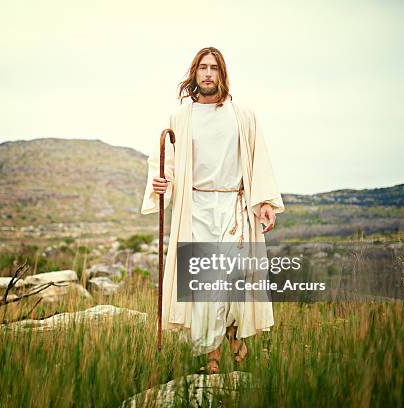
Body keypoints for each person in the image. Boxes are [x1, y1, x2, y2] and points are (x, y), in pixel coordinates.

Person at [140, 46, 285, 374]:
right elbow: (165, 164)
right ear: (194, 74)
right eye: (202, 67)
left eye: (214, 68)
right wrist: (163, 184)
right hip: (197, 208)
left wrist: (264, 203)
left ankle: (234, 333)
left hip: (235, 206)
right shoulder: (181, 117)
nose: (208, 73)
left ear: (222, 74)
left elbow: (258, 160)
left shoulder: (242, 115)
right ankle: (213, 358)